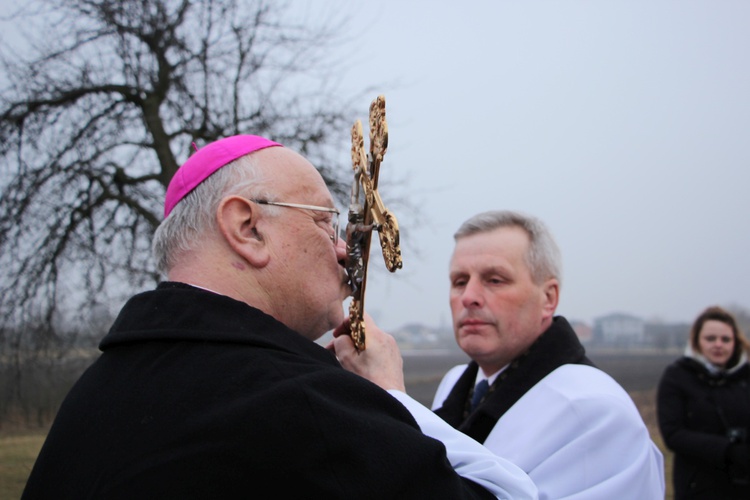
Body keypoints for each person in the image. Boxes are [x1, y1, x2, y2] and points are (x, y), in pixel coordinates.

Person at [22, 136, 538, 499]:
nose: (343, 251)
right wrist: (391, 398)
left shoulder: (95, 391)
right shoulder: (304, 407)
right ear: (246, 227)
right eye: (324, 222)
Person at [431, 210, 665, 499]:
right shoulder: (453, 382)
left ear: (548, 298)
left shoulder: (597, 411)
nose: (469, 296)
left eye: (495, 279)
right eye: (459, 281)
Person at [657, 306, 750, 499]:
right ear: (696, 341)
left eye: (725, 339)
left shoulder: (745, 377)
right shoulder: (677, 376)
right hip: (698, 487)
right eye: (710, 339)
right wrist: (728, 450)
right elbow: (673, 433)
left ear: (735, 342)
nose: (718, 344)